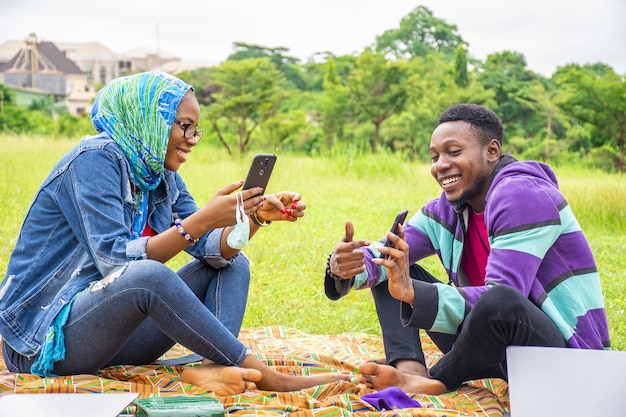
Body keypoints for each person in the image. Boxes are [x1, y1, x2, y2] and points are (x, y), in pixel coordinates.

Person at [0, 71, 350, 396]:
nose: (192, 140)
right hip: (44, 343)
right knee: (147, 275)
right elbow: (115, 260)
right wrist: (200, 221)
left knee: (232, 264)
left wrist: (253, 219)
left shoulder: (157, 174)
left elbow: (211, 250)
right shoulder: (95, 160)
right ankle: (262, 373)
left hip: (111, 338)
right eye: (184, 126)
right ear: (152, 119)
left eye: (195, 129)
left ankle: (215, 367)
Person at [324, 103, 611, 395]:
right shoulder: (448, 208)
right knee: (394, 262)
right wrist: (343, 267)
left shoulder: (523, 195)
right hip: (486, 350)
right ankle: (409, 369)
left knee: (499, 301)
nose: (439, 164)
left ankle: (438, 379)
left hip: (558, 356)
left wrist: (412, 292)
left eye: (453, 152)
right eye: (434, 156)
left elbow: (502, 303)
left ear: (492, 151)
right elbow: (386, 253)